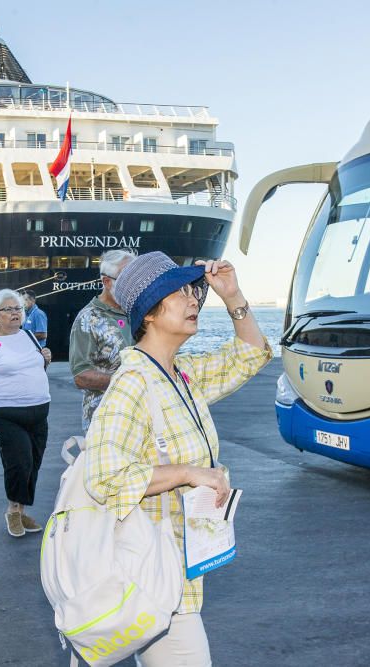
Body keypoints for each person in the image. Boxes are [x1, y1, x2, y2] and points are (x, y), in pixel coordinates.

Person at [83, 252, 271, 665]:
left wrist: (233, 295)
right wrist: (189, 473)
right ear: (149, 312)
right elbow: (103, 479)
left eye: (194, 292)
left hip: (179, 572)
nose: (193, 301)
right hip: (155, 580)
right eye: (180, 292)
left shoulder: (179, 373)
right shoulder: (133, 382)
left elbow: (251, 353)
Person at [0, 289, 52, 537]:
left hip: (38, 413)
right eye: (8, 309)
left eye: (17, 309)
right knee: (20, 459)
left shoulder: (28, 336)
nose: (15, 313)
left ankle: (22, 509)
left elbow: (33, 370)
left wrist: (45, 359)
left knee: (33, 463)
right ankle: (12, 511)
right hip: (4, 414)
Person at [68, 248, 136, 431]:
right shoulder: (88, 319)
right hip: (105, 420)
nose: (134, 286)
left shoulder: (138, 313)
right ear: (106, 281)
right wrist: (128, 382)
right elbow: (81, 376)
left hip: (140, 415)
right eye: (127, 280)